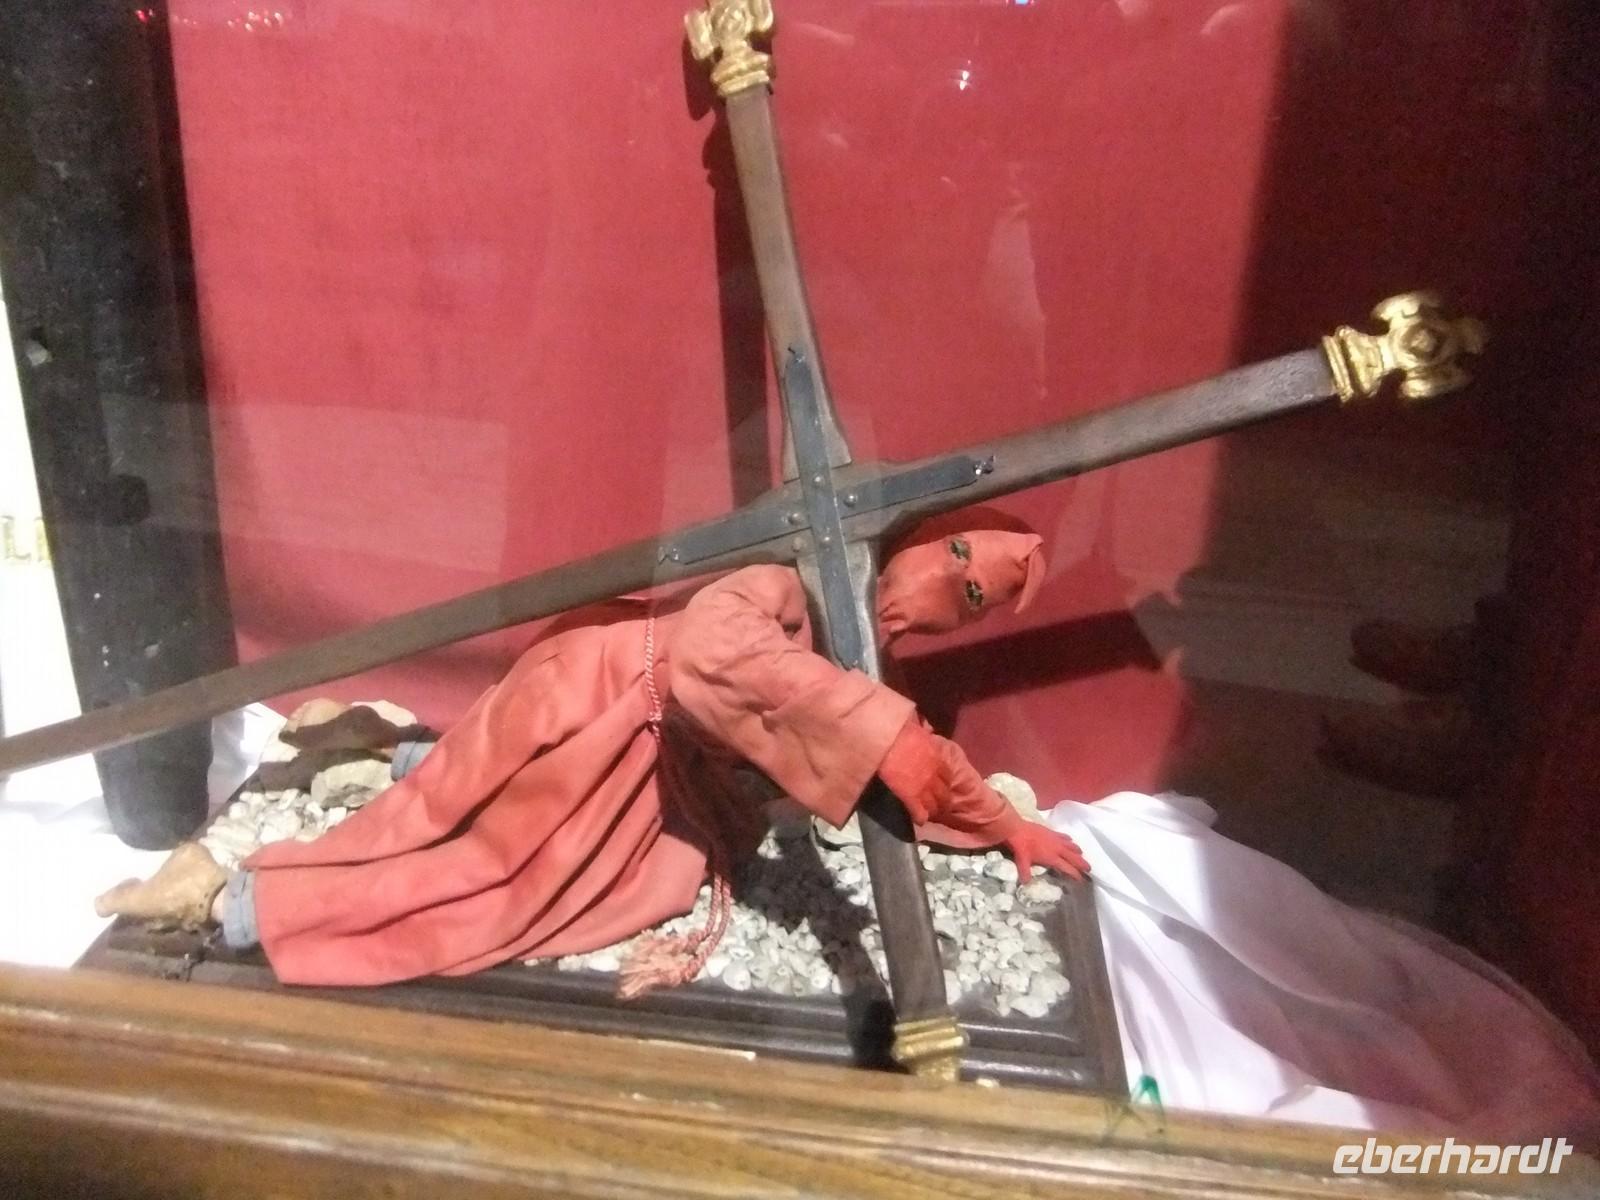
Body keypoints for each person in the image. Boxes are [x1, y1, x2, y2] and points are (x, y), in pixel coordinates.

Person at [96, 513, 1088, 995]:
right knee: (494, 878)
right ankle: (227, 898)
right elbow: (719, 647)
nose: (947, 586)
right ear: (921, 535)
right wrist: (888, 739)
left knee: (493, 803)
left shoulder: (858, 646)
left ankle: (375, 750)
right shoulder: (794, 579)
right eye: (956, 554)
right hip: (601, 703)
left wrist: (1001, 822)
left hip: (631, 737)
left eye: (974, 596)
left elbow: (890, 736)